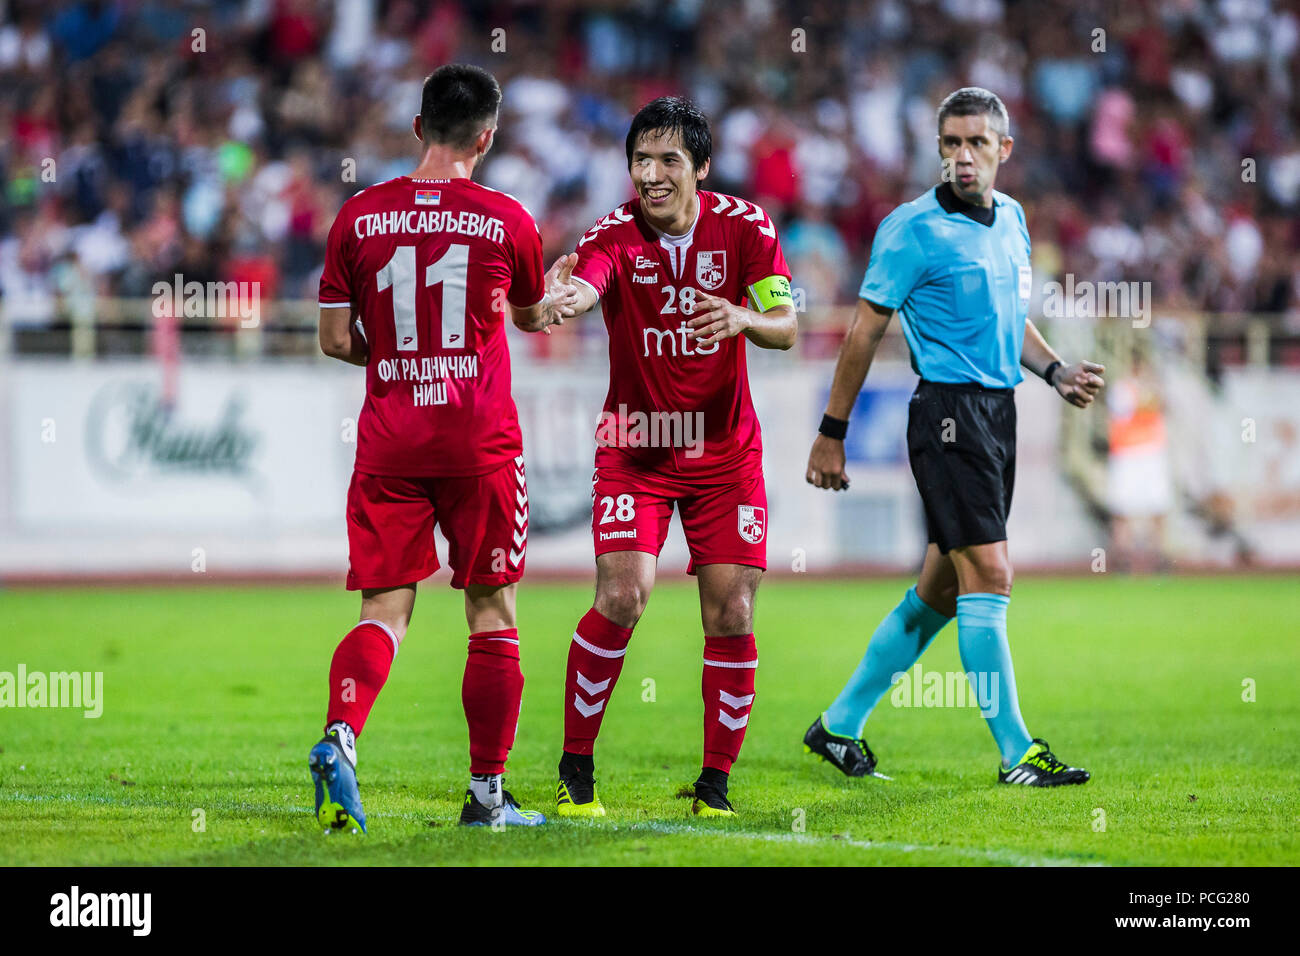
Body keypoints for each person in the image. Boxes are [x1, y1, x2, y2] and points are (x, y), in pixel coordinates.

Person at [803, 87, 1104, 787]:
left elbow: (1010, 317)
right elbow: (864, 330)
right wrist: (831, 433)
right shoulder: (911, 229)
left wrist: (1054, 370)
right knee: (992, 575)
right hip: (946, 417)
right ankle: (1017, 753)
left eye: (976, 143)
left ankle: (839, 725)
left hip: (999, 414)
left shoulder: (1016, 221)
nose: (962, 157)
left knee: (940, 592)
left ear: (1004, 149)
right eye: (950, 144)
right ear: (938, 150)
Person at [308, 64, 577, 831]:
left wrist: (398, 357)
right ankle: (487, 798)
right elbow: (529, 317)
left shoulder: (358, 215)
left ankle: (341, 735)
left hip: (390, 444)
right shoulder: (506, 219)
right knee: (492, 610)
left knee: (383, 609)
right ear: (487, 137)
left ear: (418, 127)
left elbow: (334, 339)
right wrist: (553, 298)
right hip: (479, 445)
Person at [549, 97, 797, 817]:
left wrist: (746, 317)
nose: (650, 176)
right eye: (639, 161)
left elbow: (784, 325)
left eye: (668, 161)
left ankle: (714, 785)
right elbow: (588, 280)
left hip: (725, 455)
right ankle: (576, 770)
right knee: (622, 597)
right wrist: (567, 298)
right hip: (637, 451)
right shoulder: (613, 234)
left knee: (732, 612)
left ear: (703, 169)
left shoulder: (747, 227)